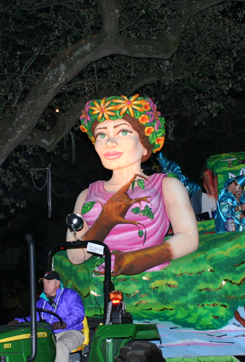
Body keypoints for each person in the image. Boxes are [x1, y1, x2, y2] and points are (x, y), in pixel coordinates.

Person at [69, 94, 199, 275]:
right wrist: (103, 223)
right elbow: (75, 256)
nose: (110, 143)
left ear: (144, 144)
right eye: (101, 135)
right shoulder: (86, 195)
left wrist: (142, 259)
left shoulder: (165, 186)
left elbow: (189, 237)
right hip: (103, 286)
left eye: (123, 132)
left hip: (156, 282)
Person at [15, 271, 85, 362]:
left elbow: (78, 314)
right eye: (44, 282)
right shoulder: (41, 302)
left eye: (48, 282)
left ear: (57, 283)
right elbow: (34, 318)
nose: (45, 285)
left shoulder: (70, 295)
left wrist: (64, 323)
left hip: (70, 332)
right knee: (31, 345)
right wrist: (17, 321)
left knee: (60, 344)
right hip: (50, 335)